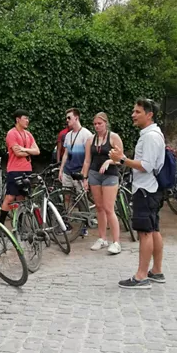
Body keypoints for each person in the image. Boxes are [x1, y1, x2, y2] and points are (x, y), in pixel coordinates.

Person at [109, 98, 165, 289]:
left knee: (145, 232)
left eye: (137, 112)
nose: (133, 114)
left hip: (145, 189)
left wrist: (122, 159)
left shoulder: (150, 136)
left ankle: (141, 276)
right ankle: (156, 271)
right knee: (154, 229)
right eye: (133, 111)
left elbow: (146, 166)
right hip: (152, 189)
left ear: (149, 115)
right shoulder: (153, 133)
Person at [81, 112, 124, 254]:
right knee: (99, 207)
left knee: (108, 208)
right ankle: (102, 238)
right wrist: (84, 177)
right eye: (95, 124)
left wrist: (109, 161)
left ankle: (116, 242)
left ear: (106, 123)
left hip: (110, 175)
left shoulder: (113, 137)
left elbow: (121, 158)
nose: (97, 126)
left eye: (100, 123)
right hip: (94, 174)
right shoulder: (90, 140)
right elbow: (87, 160)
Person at [0, 110, 40, 226]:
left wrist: (24, 150)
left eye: (28, 118)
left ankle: (20, 225)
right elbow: (17, 153)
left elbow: (37, 151)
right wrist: (29, 151)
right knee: (10, 197)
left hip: (27, 168)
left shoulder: (28, 134)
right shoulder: (11, 133)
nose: (27, 120)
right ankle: (1, 225)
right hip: (14, 169)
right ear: (18, 119)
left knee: (22, 197)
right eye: (25, 118)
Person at [58, 108, 93, 237]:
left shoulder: (86, 134)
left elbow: (88, 157)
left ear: (76, 118)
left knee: (81, 198)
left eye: (69, 118)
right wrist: (61, 169)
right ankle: (66, 222)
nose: (67, 120)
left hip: (79, 172)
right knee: (66, 195)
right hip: (68, 170)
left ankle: (85, 224)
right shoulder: (68, 135)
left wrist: (85, 176)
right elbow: (66, 154)